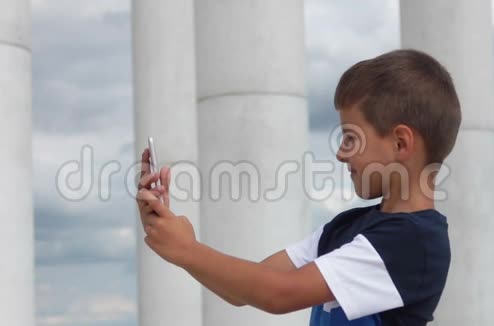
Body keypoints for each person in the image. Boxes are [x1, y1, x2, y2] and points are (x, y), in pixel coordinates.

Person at [136, 48, 461, 326]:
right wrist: (171, 235)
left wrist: (187, 250)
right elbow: (242, 291)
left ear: (400, 142)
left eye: (350, 137)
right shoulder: (345, 228)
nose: (339, 152)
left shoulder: (415, 242)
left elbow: (279, 292)